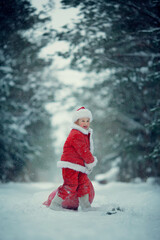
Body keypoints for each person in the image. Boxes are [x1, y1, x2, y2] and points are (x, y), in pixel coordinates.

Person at [43, 107, 97, 211]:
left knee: (84, 184)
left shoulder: (84, 134)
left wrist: (87, 163)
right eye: (83, 121)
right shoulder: (76, 134)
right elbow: (83, 150)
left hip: (80, 165)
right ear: (77, 122)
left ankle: (86, 206)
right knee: (70, 185)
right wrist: (91, 161)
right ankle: (55, 204)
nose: (85, 123)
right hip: (70, 165)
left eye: (87, 120)